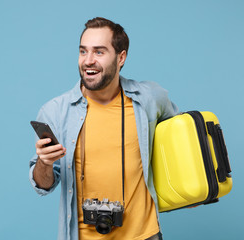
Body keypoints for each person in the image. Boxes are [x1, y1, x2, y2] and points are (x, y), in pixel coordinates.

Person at [29, 17, 178, 240]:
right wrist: (45, 162)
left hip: (145, 235)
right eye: (83, 51)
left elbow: (180, 136)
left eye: (99, 52)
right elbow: (43, 185)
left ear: (121, 58)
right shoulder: (55, 112)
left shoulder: (149, 98)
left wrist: (186, 188)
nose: (88, 60)